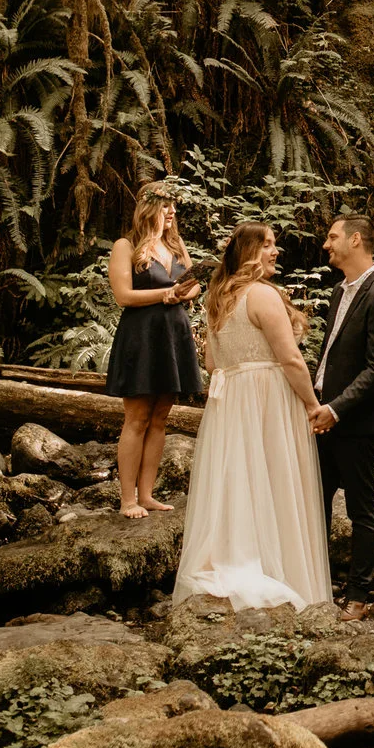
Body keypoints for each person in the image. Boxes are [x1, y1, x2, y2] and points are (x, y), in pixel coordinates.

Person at [174, 222, 334, 610]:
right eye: (267, 245)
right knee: (276, 479)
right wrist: (311, 404)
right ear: (248, 252)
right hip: (268, 400)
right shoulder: (262, 294)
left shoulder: (219, 297)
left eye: (274, 244)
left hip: (231, 403)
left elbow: (212, 364)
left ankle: (242, 555)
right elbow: (291, 358)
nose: (275, 251)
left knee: (240, 482)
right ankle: (284, 576)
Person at [315, 214, 374, 603]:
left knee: (360, 510)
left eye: (332, 237)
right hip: (322, 415)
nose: (326, 244)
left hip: (354, 421)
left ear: (355, 240)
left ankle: (358, 595)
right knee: (314, 502)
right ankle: (316, 584)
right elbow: (330, 358)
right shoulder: (340, 291)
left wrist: (336, 409)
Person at [105, 181, 205, 520]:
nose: (172, 212)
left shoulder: (176, 244)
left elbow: (194, 285)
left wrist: (185, 292)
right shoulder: (126, 246)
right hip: (142, 336)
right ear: (148, 208)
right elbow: (123, 296)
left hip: (173, 335)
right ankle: (127, 499)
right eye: (166, 206)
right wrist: (165, 295)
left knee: (160, 418)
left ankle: (147, 495)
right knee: (137, 418)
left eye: (173, 206)